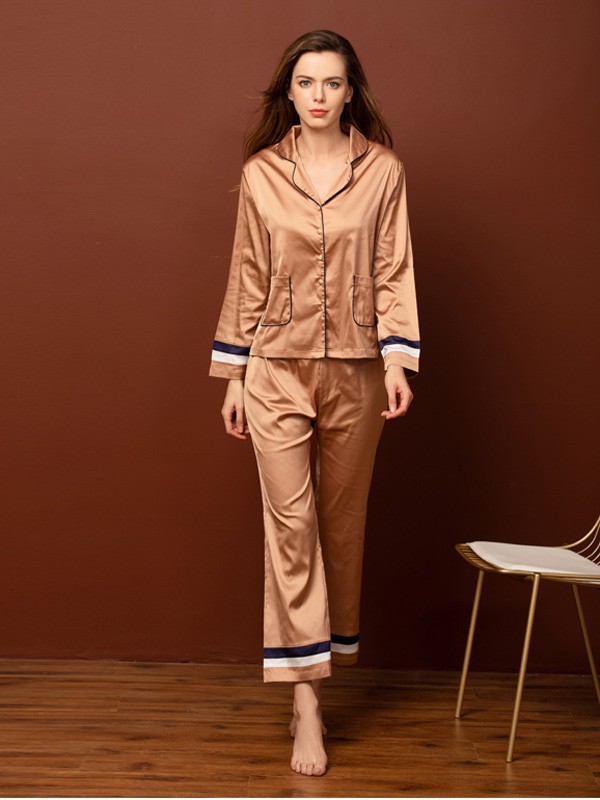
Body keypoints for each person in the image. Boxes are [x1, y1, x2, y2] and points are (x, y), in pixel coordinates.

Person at [208, 29, 420, 777]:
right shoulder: (262, 174)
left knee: (340, 525)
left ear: (350, 91)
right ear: (290, 92)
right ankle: (306, 703)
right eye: (306, 83)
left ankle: (325, 658)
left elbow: (394, 268)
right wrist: (233, 374)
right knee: (291, 529)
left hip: (358, 372)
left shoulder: (383, 171)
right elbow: (248, 272)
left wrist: (397, 360)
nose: (320, 95)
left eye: (332, 82)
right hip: (276, 369)